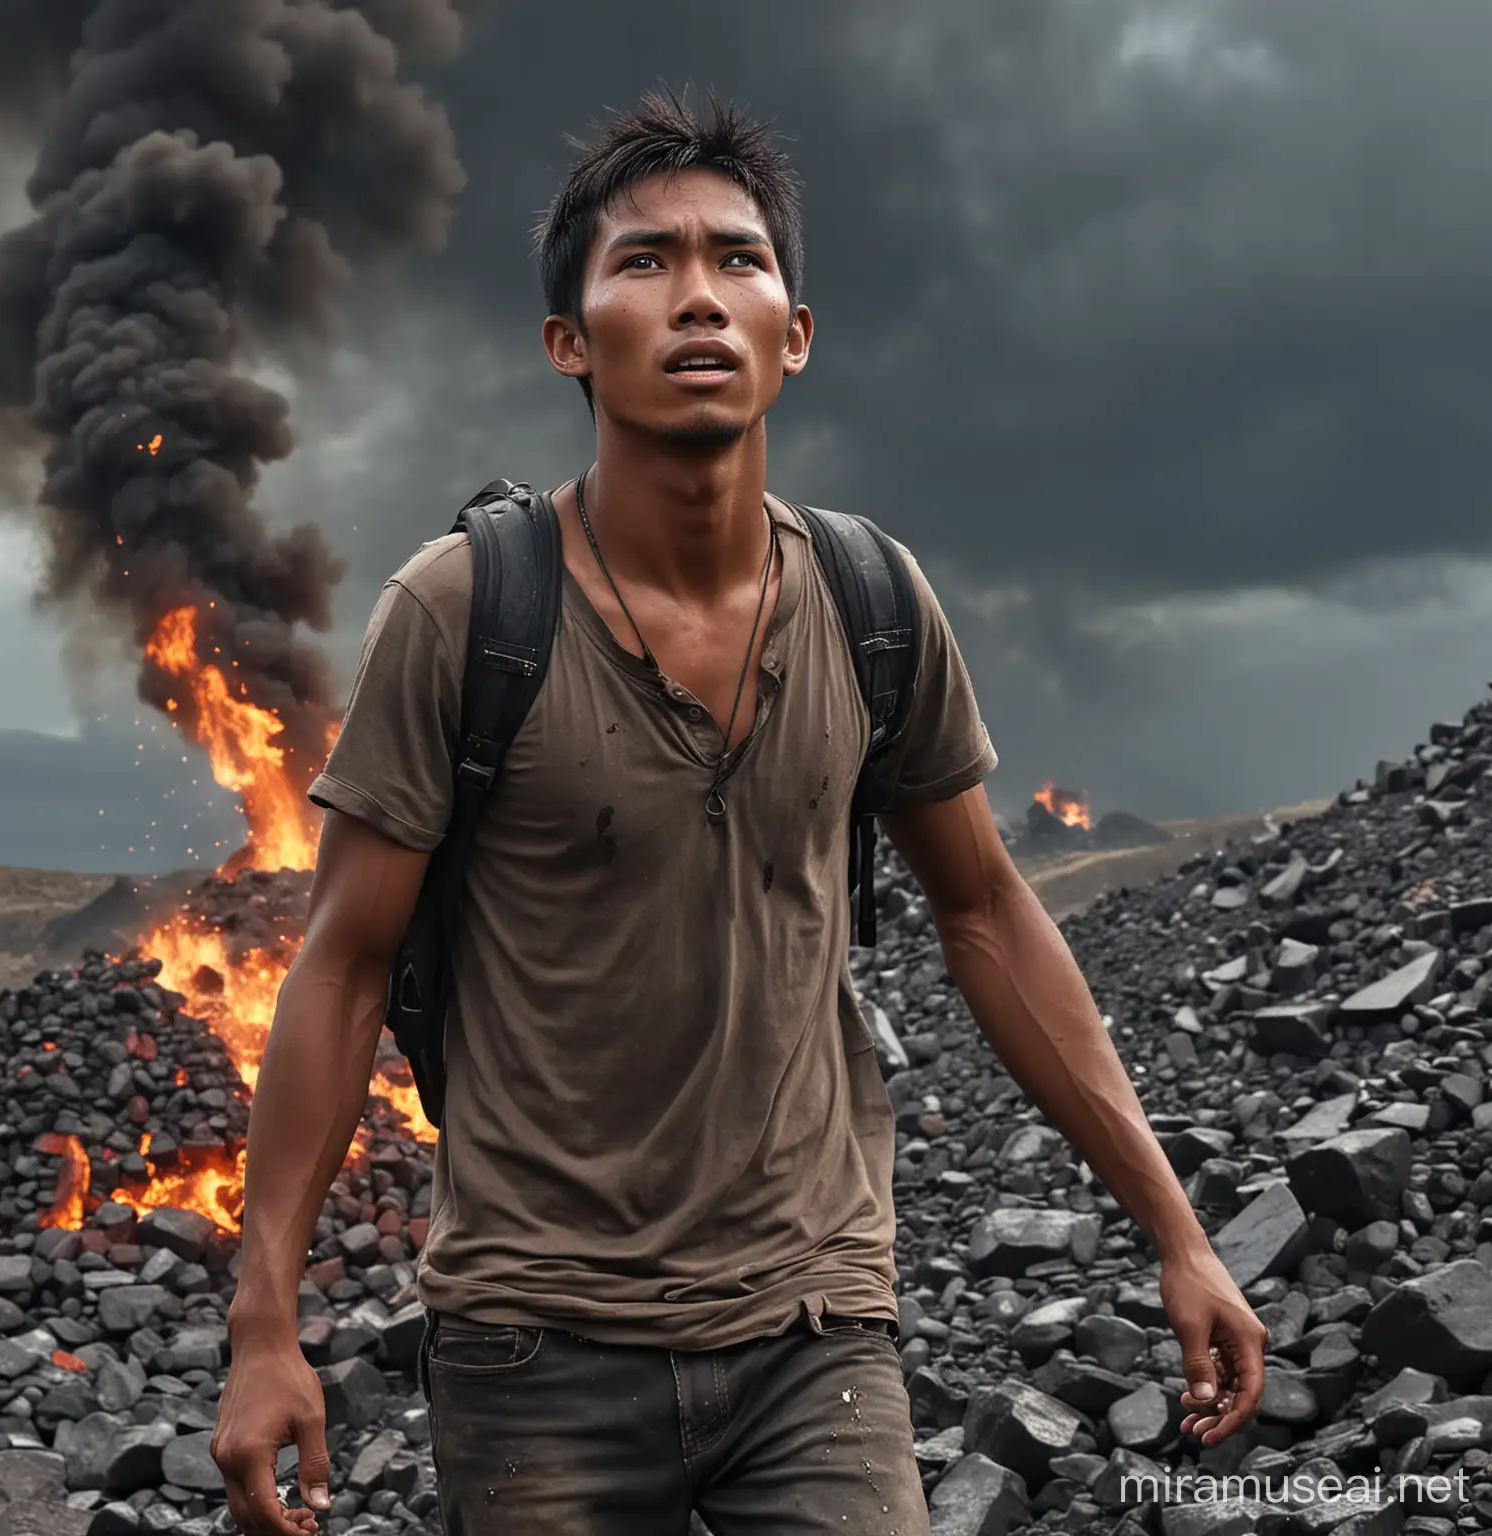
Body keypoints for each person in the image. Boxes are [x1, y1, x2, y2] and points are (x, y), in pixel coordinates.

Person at [212, 88, 1267, 1536]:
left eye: (739, 260)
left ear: (796, 332)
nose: (698, 295)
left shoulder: (872, 602)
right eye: (643, 263)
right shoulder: (465, 615)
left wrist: (1180, 1234)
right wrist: (265, 1327)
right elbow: (336, 967)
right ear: (568, 344)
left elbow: (986, 911)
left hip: (818, 1333)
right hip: (534, 1345)